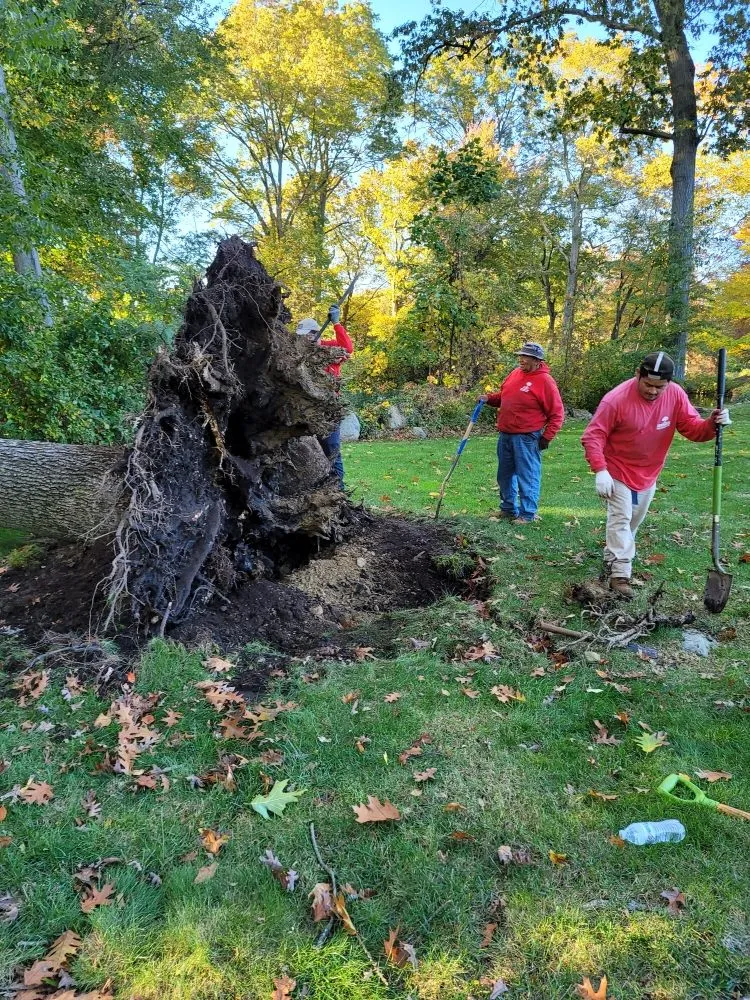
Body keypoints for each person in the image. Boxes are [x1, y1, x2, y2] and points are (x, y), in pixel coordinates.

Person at [581, 350, 731, 599]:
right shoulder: (615, 400)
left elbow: (693, 429)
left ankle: (611, 560)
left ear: (669, 383)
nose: (653, 391)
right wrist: (601, 470)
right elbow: (593, 435)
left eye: (659, 387)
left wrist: (712, 423)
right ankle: (620, 576)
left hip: (648, 472)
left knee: (631, 523)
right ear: (637, 375)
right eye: (648, 384)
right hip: (617, 468)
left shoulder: (675, 395)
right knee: (621, 518)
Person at [480, 341, 564, 524]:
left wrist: (547, 437)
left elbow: (557, 413)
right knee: (504, 475)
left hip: (526, 437)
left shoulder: (545, 381)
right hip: (505, 434)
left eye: (526, 356)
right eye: (521, 355)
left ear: (537, 360)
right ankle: (508, 509)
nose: (521, 359)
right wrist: (488, 399)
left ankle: (527, 513)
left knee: (527, 475)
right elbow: (504, 397)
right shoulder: (515, 374)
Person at [296, 304, 353, 485]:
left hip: (329, 411)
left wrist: (336, 323)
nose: (305, 340)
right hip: (307, 411)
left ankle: (338, 489)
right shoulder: (301, 355)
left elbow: (347, 348)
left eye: (308, 335)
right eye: (302, 337)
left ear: (316, 334)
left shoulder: (329, 349)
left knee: (331, 449)